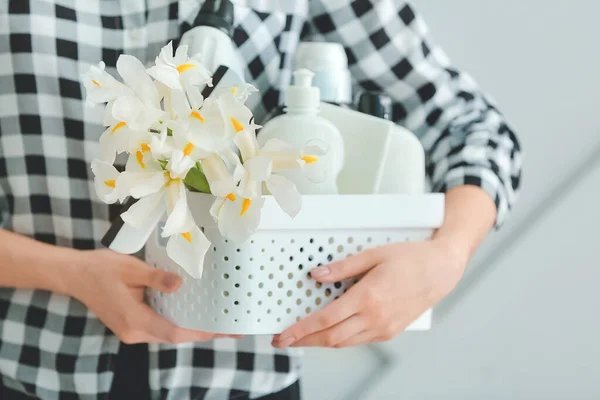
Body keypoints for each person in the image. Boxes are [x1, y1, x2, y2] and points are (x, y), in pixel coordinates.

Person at [0, 0, 522, 399]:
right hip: (34, 367)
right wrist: (68, 273)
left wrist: (446, 255)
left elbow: (469, 125)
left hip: (244, 379)